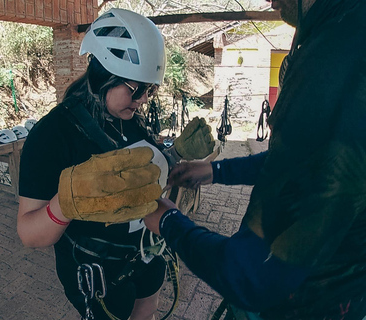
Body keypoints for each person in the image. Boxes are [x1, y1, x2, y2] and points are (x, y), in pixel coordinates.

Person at [144, 0, 366, 319]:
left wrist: (169, 222)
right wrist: (216, 171)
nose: (270, 1)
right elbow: (301, 167)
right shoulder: (345, 33)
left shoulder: (337, 64)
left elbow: (251, 276)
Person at [16, 8, 214, 320]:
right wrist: (66, 204)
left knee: (147, 311)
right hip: (99, 274)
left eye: (150, 90)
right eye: (135, 88)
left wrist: (173, 157)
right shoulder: (52, 135)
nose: (143, 99)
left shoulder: (129, 117)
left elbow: (143, 177)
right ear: (102, 72)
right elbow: (28, 233)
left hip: (147, 255)